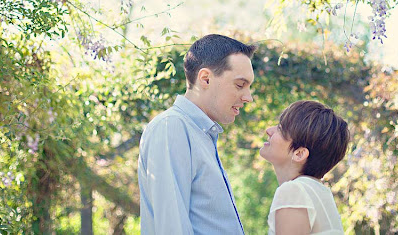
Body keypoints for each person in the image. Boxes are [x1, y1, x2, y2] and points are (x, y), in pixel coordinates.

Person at [138, 34, 257, 234]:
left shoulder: (201, 134)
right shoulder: (172, 127)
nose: (248, 98)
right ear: (205, 79)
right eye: (240, 85)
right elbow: (171, 227)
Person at [260, 100, 350, 235]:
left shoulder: (294, 191)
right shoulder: (318, 192)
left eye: (280, 129)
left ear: (299, 153)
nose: (269, 130)